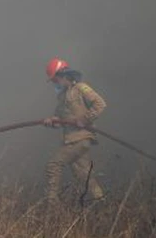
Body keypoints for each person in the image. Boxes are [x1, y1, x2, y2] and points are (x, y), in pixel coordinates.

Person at [42, 58, 107, 206]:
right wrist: (51, 121)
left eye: (55, 79)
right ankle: (103, 204)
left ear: (64, 75)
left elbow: (100, 104)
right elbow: (59, 119)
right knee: (85, 177)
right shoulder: (62, 96)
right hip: (71, 139)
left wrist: (85, 119)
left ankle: (52, 206)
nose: (54, 83)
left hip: (80, 139)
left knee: (53, 164)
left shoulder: (81, 88)